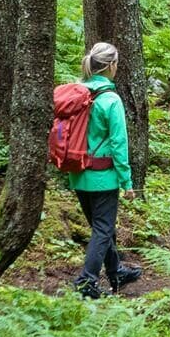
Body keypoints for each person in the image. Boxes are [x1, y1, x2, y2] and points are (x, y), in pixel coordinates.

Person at [67, 42, 140, 299]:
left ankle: (116, 270)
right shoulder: (110, 99)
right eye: (116, 63)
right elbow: (119, 144)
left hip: (78, 172)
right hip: (103, 176)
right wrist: (127, 181)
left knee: (100, 226)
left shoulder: (78, 93)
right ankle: (86, 282)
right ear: (110, 66)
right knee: (103, 229)